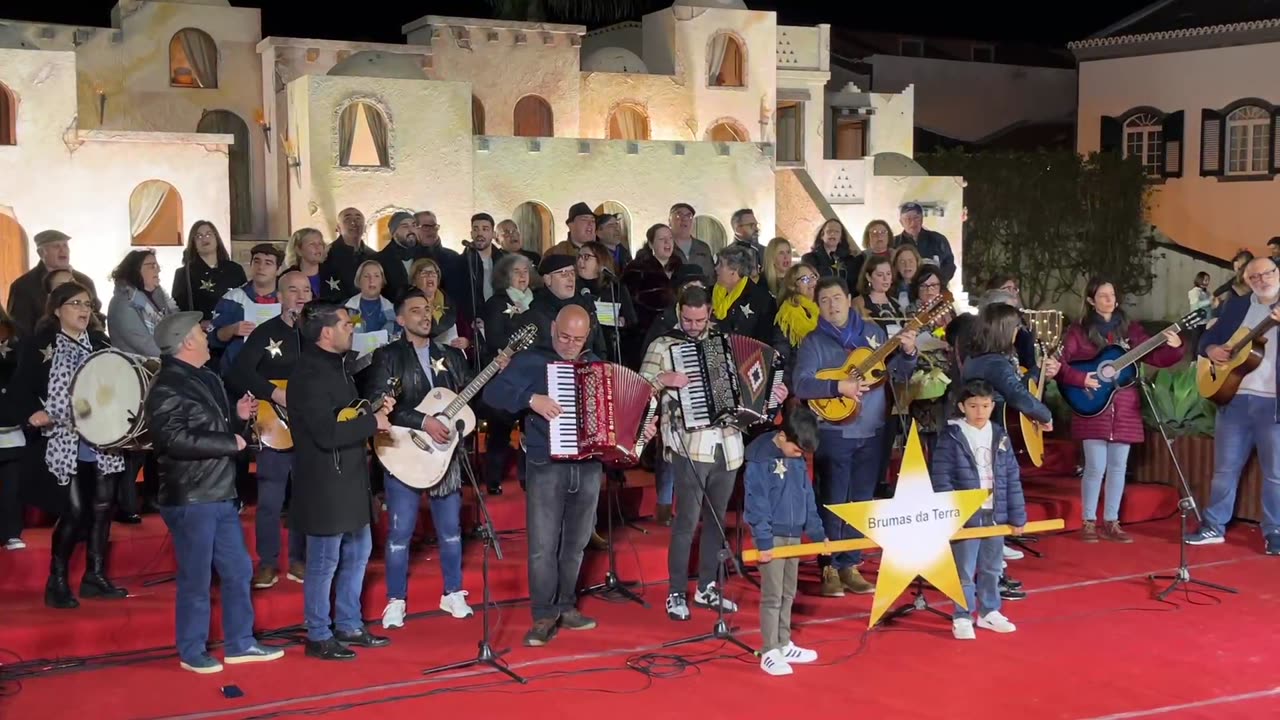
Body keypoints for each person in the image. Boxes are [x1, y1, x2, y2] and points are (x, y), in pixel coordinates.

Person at [145, 311, 285, 673]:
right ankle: (192, 650)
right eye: (200, 331)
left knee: (238, 570)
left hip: (219, 491)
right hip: (192, 496)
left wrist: (236, 417)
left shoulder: (206, 377)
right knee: (196, 577)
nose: (207, 334)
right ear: (186, 342)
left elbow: (216, 426)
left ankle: (240, 643)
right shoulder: (167, 386)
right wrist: (229, 440)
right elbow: (171, 439)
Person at [641, 286, 788, 621]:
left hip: (729, 445)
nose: (693, 326)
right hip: (689, 446)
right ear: (679, 311)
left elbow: (752, 388)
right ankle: (676, 592)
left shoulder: (725, 342)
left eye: (700, 319)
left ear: (710, 313)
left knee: (717, 522)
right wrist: (663, 379)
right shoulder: (664, 345)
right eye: (688, 319)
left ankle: (707, 586)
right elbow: (641, 387)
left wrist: (773, 393)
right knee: (686, 522)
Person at [482, 305, 604, 647]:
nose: (570, 345)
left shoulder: (595, 364)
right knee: (542, 546)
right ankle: (543, 614)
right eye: (565, 336)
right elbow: (490, 395)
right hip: (545, 462)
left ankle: (566, 605)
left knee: (576, 543)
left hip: (589, 465)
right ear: (553, 328)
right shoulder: (532, 360)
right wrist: (530, 398)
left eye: (578, 339)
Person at [365, 288, 482, 629]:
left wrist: (496, 368)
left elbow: (472, 396)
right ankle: (396, 599)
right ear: (400, 320)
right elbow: (376, 402)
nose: (424, 314)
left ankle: (453, 592)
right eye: (416, 310)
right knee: (400, 533)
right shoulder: (387, 356)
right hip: (402, 450)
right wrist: (423, 422)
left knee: (451, 530)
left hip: (443, 455)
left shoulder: (451, 355)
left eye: (428, 309)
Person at [793, 277, 916, 597]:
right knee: (833, 500)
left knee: (862, 500)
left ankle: (852, 563)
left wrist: (909, 352)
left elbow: (898, 374)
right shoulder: (813, 342)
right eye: (824, 300)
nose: (832, 305)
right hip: (833, 432)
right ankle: (829, 565)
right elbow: (802, 385)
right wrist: (838, 387)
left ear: (849, 299)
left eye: (837, 298)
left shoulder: (874, 334)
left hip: (873, 430)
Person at [288, 301, 394, 660]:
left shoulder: (340, 367)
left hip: (348, 474)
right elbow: (324, 432)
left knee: (360, 550)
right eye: (346, 324)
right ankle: (318, 633)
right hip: (323, 480)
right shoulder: (308, 374)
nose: (352, 329)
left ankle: (348, 624)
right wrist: (372, 423)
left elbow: (344, 414)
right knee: (324, 560)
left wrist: (373, 411)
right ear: (325, 332)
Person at [1057, 278, 1183, 543]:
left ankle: (1112, 522)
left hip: (1125, 407)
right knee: (1094, 467)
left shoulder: (1131, 330)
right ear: (1091, 301)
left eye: (1112, 294)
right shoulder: (1078, 332)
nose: (1109, 300)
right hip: (1091, 405)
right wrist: (1082, 380)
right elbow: (1061, 366)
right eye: (1102, 295)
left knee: (1118, 467)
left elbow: (1156, 357)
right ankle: (1089, 521)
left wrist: (1175, 348)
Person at [1189, 256, 1280, 555]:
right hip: (1234, 400)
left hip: (1274, 405)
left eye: (1268, 273)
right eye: (1255, 277)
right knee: (1224, 470)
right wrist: (1212, 348)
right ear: (1247, 281)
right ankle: (1213, 526)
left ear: (1277, 273)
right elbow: (1208, 338)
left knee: (1275, 474)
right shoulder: (1237, 306)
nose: (1262, 280)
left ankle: (1275, 532)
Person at [229, 270, 313, 588]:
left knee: (305, 497)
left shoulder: (317, 334)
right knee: (270, 500)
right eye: (293, 290)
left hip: (308, 426)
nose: (301, 296)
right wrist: (274, 393)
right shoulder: (266, 333)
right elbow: (239, 372)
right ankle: (267, 563)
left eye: (306, 289)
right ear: (279, 297)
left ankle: (298, 560)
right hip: (274, 425)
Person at [931, 379, 1026, 640]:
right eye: (973, 405)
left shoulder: (1000, 435)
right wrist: (952, 515)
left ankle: (989, 612)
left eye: (985, 405)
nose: (979, 411)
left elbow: (1011, 476)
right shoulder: (951, 436)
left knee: (992, 567)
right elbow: (941, 478)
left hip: (994, 513)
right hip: (966, 515)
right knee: (964, 570)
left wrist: (1017, 515)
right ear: (962, 406)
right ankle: (962, 615)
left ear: (992, 406)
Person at [743, 404, 828, 676]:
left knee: (789, 592)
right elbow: (757, 503)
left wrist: (816, 533)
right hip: (773, 536)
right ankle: (769, 650)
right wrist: (764, 542)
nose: (799, 456)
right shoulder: (759, 458)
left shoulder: (797, 456)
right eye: (796, 450)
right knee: (772, 595)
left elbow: (807, 496)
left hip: (795, 534)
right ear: (782, 436)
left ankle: (783, 642)